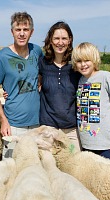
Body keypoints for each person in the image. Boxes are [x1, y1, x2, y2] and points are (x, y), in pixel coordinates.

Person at [0, 11, 43, 158]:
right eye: (18, 30)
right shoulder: (1, 57)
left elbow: (43, 74)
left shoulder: (37, 51)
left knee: (35, 169)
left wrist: (40, 84)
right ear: (11, 32)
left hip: (38, 124)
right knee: (11, 167)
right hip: (13, 125)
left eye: (25, 30)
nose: (21, 34)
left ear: (31, 32)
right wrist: (3, 120)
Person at [71, 42, 110, 161]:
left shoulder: (106, 77)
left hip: (107, 146)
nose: (83, 64)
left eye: (87, 60)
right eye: (79, 61)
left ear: (94, 60)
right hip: (86, 145)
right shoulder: (80, 80)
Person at [38, 21, 82, 152]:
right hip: (48, 130)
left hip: (71, 130)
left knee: (74, 167)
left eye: (64, 38)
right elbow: (28, 82)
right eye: (56, 38)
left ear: (70, 40)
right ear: (50, 40)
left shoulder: (76, 65)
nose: (60, 42)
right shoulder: (42, 64)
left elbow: (93, 85)